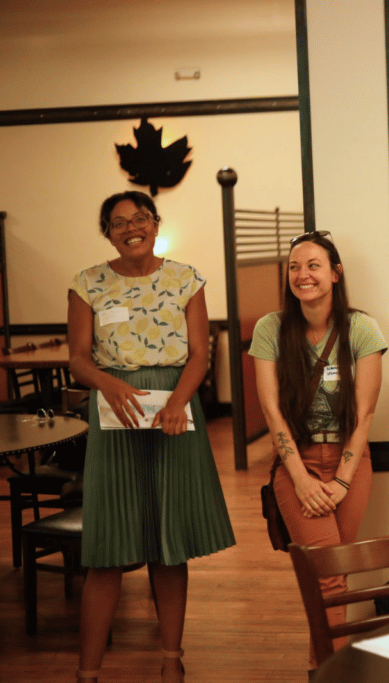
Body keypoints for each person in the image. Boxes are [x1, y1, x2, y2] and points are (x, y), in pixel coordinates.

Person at [68, 191, 235, 683]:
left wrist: (179, 402)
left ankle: (171, 659)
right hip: (113, 407)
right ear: (107, 232)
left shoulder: (186, 278)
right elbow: (78, 357)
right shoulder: (86, 283)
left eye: (139, 218)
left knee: (169, 542)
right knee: (106, 545)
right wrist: (108, 380)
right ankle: (87, 671)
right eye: (118, 222)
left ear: (155, 223)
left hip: (175, 404)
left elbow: (201, 354)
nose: (131, 227)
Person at [249, 230, 386, 671]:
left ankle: (323, 668)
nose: (303, 275)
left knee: (335, 575)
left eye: (313, 265)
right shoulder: (270, 329)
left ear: (335, 272)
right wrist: (302, 477)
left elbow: (364, 415)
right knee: (328, 576)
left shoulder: (361, 328)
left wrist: (343, 478)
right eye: (294, 267)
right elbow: (271, 412)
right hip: (297, 462)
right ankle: (329, 671)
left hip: (351, 462)